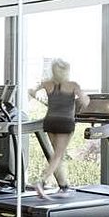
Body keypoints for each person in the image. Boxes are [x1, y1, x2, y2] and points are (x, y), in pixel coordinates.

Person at [31, 58, 90, 198]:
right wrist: (83, 101)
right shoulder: (73, 85)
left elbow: (32, 92)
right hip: (65, 122)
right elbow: (85, 102)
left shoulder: (47, 84)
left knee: (57, 156)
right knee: (58, 155)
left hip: (50, 121)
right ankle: (41, 181)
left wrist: (45, 101)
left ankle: (63, 186)